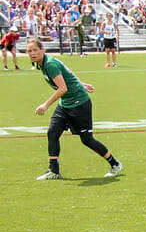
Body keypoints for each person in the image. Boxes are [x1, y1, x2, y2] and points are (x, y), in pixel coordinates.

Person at [26, 38, 123, 180]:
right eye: (29, 51)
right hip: (65, 103)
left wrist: (46, 104)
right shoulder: (43, 64)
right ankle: (54, 171)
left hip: (79, 103)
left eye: (35, 50)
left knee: (87, 140)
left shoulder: (50, 64)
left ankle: (115, 164)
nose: (32, 53)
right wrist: (80, 83)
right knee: (52, 132)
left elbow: (63, 88)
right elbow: (68, 72)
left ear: (42, 50)